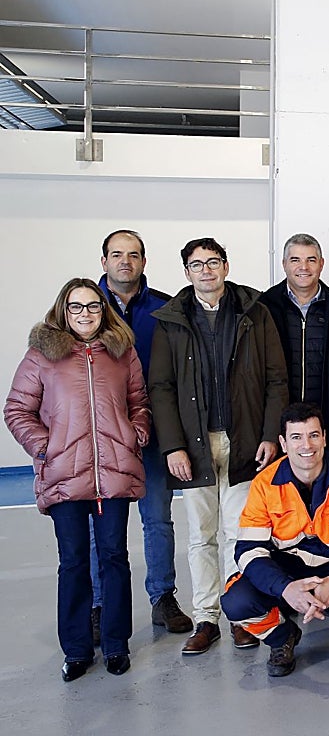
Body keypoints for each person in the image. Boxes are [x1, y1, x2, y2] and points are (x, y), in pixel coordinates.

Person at [148, 237, 288, 655]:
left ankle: (240, 614)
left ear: (226, 266)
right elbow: (161, 387)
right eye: (196, 265)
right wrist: (173, 446)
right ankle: (206, 617)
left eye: (213, 262)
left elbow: (276, 380)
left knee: (239, 534)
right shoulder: (170, 321)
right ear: (186, 273)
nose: (206, 270)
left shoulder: (254, 313)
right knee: (202, 536)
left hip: (245, 440)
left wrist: (268, 436)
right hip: (194, 445)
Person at [5, 279, 151, 680]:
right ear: (62, 311)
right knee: (72, 562)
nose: (85, 314)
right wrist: (43, 447)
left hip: (114, 474)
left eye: (92, 306)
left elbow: (140, 402)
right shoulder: (41, 356)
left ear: (103, 311)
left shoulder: (122, 353)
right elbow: (17, 409)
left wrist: (136, 433)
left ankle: (117, 646)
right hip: (65, 475)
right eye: (76, 307)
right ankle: (76, 649)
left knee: (114, 559)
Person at [221, 403, 329, 677]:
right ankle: (283, 637)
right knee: (235, 602)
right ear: (283, 443)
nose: (307, 445)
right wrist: (286, 588)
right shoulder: (264, 484)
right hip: (287, 577)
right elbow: (248, 551)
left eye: (314, 435)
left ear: (324, 437)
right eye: (297, 437)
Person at [96, 230, 192, 635]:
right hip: (103, 438)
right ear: (104, 261)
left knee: (157, 518)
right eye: (117, 255)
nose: (125, 262)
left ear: (144, 262)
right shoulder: (84, 307)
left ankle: (162, 597)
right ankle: (100, 605)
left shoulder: (164, 309)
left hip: (151, 433)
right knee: (101, 525)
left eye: (133, 255)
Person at [260, 233, 329, 454]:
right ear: (284, 264)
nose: (303, 267)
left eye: (311, 260)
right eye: (295, 260)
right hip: (278, 421)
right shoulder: (263, 308)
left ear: (321, 264)